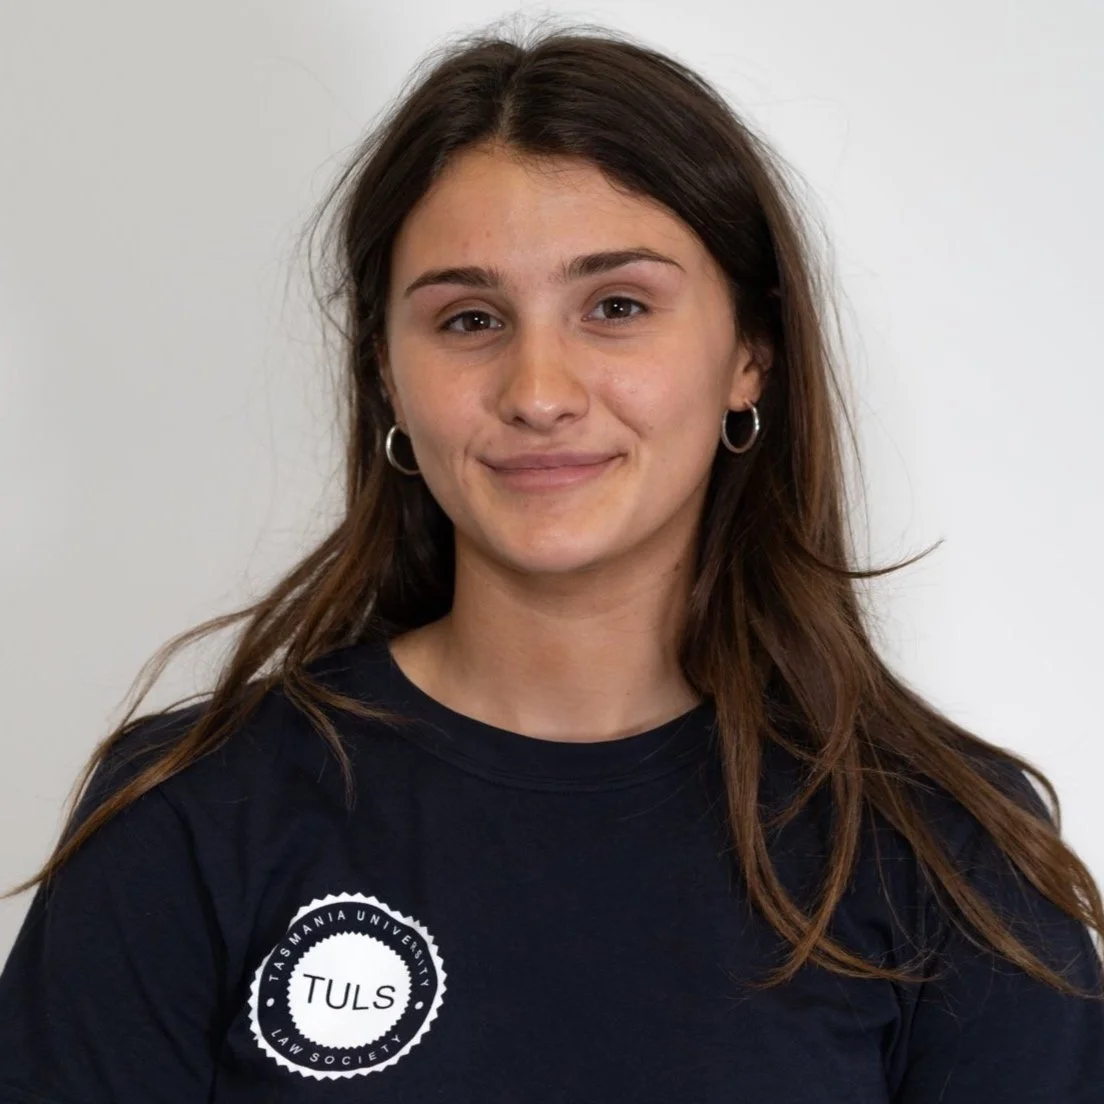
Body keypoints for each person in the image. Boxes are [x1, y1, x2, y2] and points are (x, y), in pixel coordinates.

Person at [1, 19, 1102, 1103]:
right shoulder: (192, 813)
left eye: (616, 307)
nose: (538, 392)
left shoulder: (946, 850)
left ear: (749, 355)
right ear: (386, 376)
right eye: (469, 320)